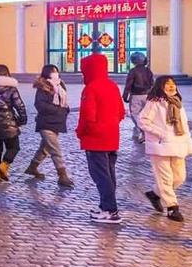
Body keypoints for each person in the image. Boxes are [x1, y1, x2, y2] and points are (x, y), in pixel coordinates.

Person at [77, 53, 125, 224]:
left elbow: (87, 117)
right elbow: (121, 113)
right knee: (110, 174)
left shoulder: (90, 88)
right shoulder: (112, 86)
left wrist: (80, 132)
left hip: (95, 139)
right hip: (112, 138)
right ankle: (105, 205)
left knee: (100, 175)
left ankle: (110, 210)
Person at [139, 76, 192, 222]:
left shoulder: (178, 103)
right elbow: (143, 121)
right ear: (161, 86)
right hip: (160, 145)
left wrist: (188, 142)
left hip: (178, 144)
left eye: (173, 84)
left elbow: (184, 125)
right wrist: (160, 133)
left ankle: (155, 194)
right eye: (167, 84)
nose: (171, 87)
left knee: (179, 177)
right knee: (165, 177)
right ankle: (172, 208)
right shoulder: (154, 102)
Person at [25, 65, 73, 188]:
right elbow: (40, 105)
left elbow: (64, 102)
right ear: (47, 74)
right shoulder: (43, 87)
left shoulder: (60, 85)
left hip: (57, 122)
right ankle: (62, 175)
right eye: (52, 72)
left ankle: (32, 167)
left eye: (56, 71)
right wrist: (59, 110)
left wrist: (65, 109)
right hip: (46, 123)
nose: (55, 73)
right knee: (55, 149)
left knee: (45, 148)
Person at [123, 52, 154, 144]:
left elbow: (128, 84)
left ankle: (143, 130)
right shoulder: (148, 71)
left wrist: (125, 95)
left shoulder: (133, 71)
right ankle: (141, 130)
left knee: (134, 114)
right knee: (145, 114)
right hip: (147, 95)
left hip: (136, 95)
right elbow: (152, 83)